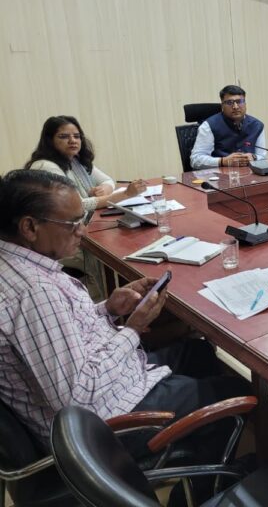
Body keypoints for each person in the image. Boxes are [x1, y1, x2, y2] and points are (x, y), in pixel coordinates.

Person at [0, 170, 250, 461]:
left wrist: (107, 309)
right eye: (72, 224)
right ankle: (206, 480)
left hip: (106, 387)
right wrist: (133, 329)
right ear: (30, 227)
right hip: (100, 428)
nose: (82, 231)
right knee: (234, 392)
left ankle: (197, 446)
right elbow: (78, 396)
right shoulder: (33, 291)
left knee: (199, 353)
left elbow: (58, 330)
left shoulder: (20, 266)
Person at [25, 115, 146, 212]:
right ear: (50, 141)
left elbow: (108, 180)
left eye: (76, 136)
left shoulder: (75, 160)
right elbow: (77, 205)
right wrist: (126, 194)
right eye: (64, 136)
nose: (72, 140)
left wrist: (104, 189)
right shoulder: (46, 166)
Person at [190, 84, 267, 169]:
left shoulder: (257, 125)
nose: (235, 107)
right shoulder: (209, 126)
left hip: (249, 174)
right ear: (222, 105)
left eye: (239, 101)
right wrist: (223, 161)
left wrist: (254, 157)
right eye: (229, 102)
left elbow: (262, 156)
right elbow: (195, 160)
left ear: (245, 103)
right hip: (218, 174)